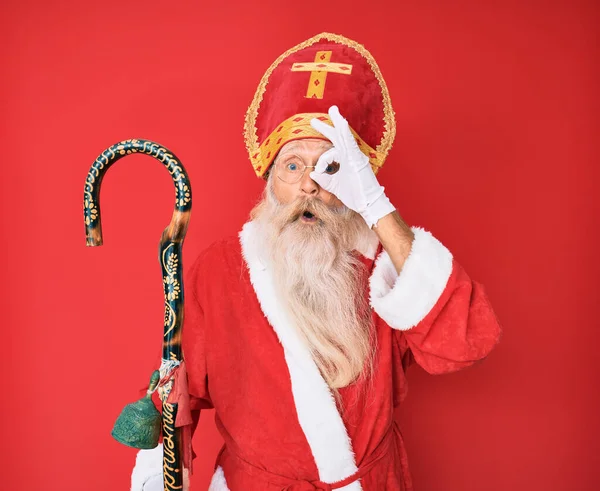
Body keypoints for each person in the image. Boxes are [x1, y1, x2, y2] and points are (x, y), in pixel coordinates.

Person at [130, 32, 502, 491]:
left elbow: (464, 343)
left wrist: (378, 208)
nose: (309, 185)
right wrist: (159, 448)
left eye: (330, 168)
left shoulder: (384, 262)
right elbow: (183, 393)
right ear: (269, 178)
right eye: (291, 166)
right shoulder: (222, 267)